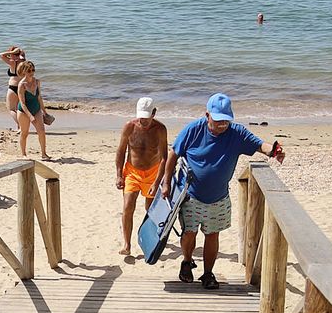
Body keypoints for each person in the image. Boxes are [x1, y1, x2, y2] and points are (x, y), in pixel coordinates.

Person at [158, 93, 284, 290]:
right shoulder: (193, 130)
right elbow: (173, 154)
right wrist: (166, 183)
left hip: (218, 198)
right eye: (218, 120)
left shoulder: (236, 133)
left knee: (212, 235)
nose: (222, 124)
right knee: (189, 233)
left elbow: (259, 145)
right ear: (207, 115)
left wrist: (275, 151)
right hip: (190, 194)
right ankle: (186, 261)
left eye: (226, 120)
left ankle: (208, 273)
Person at [114, 97, 168, 258]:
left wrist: (158, 181)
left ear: (154, 113)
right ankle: (127, 244)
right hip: (132, 171)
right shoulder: (129, 127)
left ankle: (149, 240)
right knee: (127, 206)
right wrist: (118, 175)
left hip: (153, 172)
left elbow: (165, 157)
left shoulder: (160, 129)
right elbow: (121, 151)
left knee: (149, 210)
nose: (143, 120)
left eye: (147, 117)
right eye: (141, 117)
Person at [12, 59, 48, 159]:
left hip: (36, 109)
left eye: (33, 70)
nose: (31, 72)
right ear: (24, 72)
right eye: (29, 71)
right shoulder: (21, 85)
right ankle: (23, 154)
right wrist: (30, 116)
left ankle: (44, 154)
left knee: (41, 131)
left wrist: (44, 112)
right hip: (24, 111)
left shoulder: (37, 82)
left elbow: (39, 97)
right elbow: (22, 103)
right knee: (24, 133)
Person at [1, 45, 26, 125]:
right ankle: (20, 127)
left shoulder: (12, 62)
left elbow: (1, 55)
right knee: (19, 109)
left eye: (11, 54)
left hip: (13, 87)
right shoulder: (24, 62)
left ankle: (21, 126)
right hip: (22, 87)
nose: (9, 56)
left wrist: (11, 52)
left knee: (11, 109)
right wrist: (19, 53)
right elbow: (22, 54)